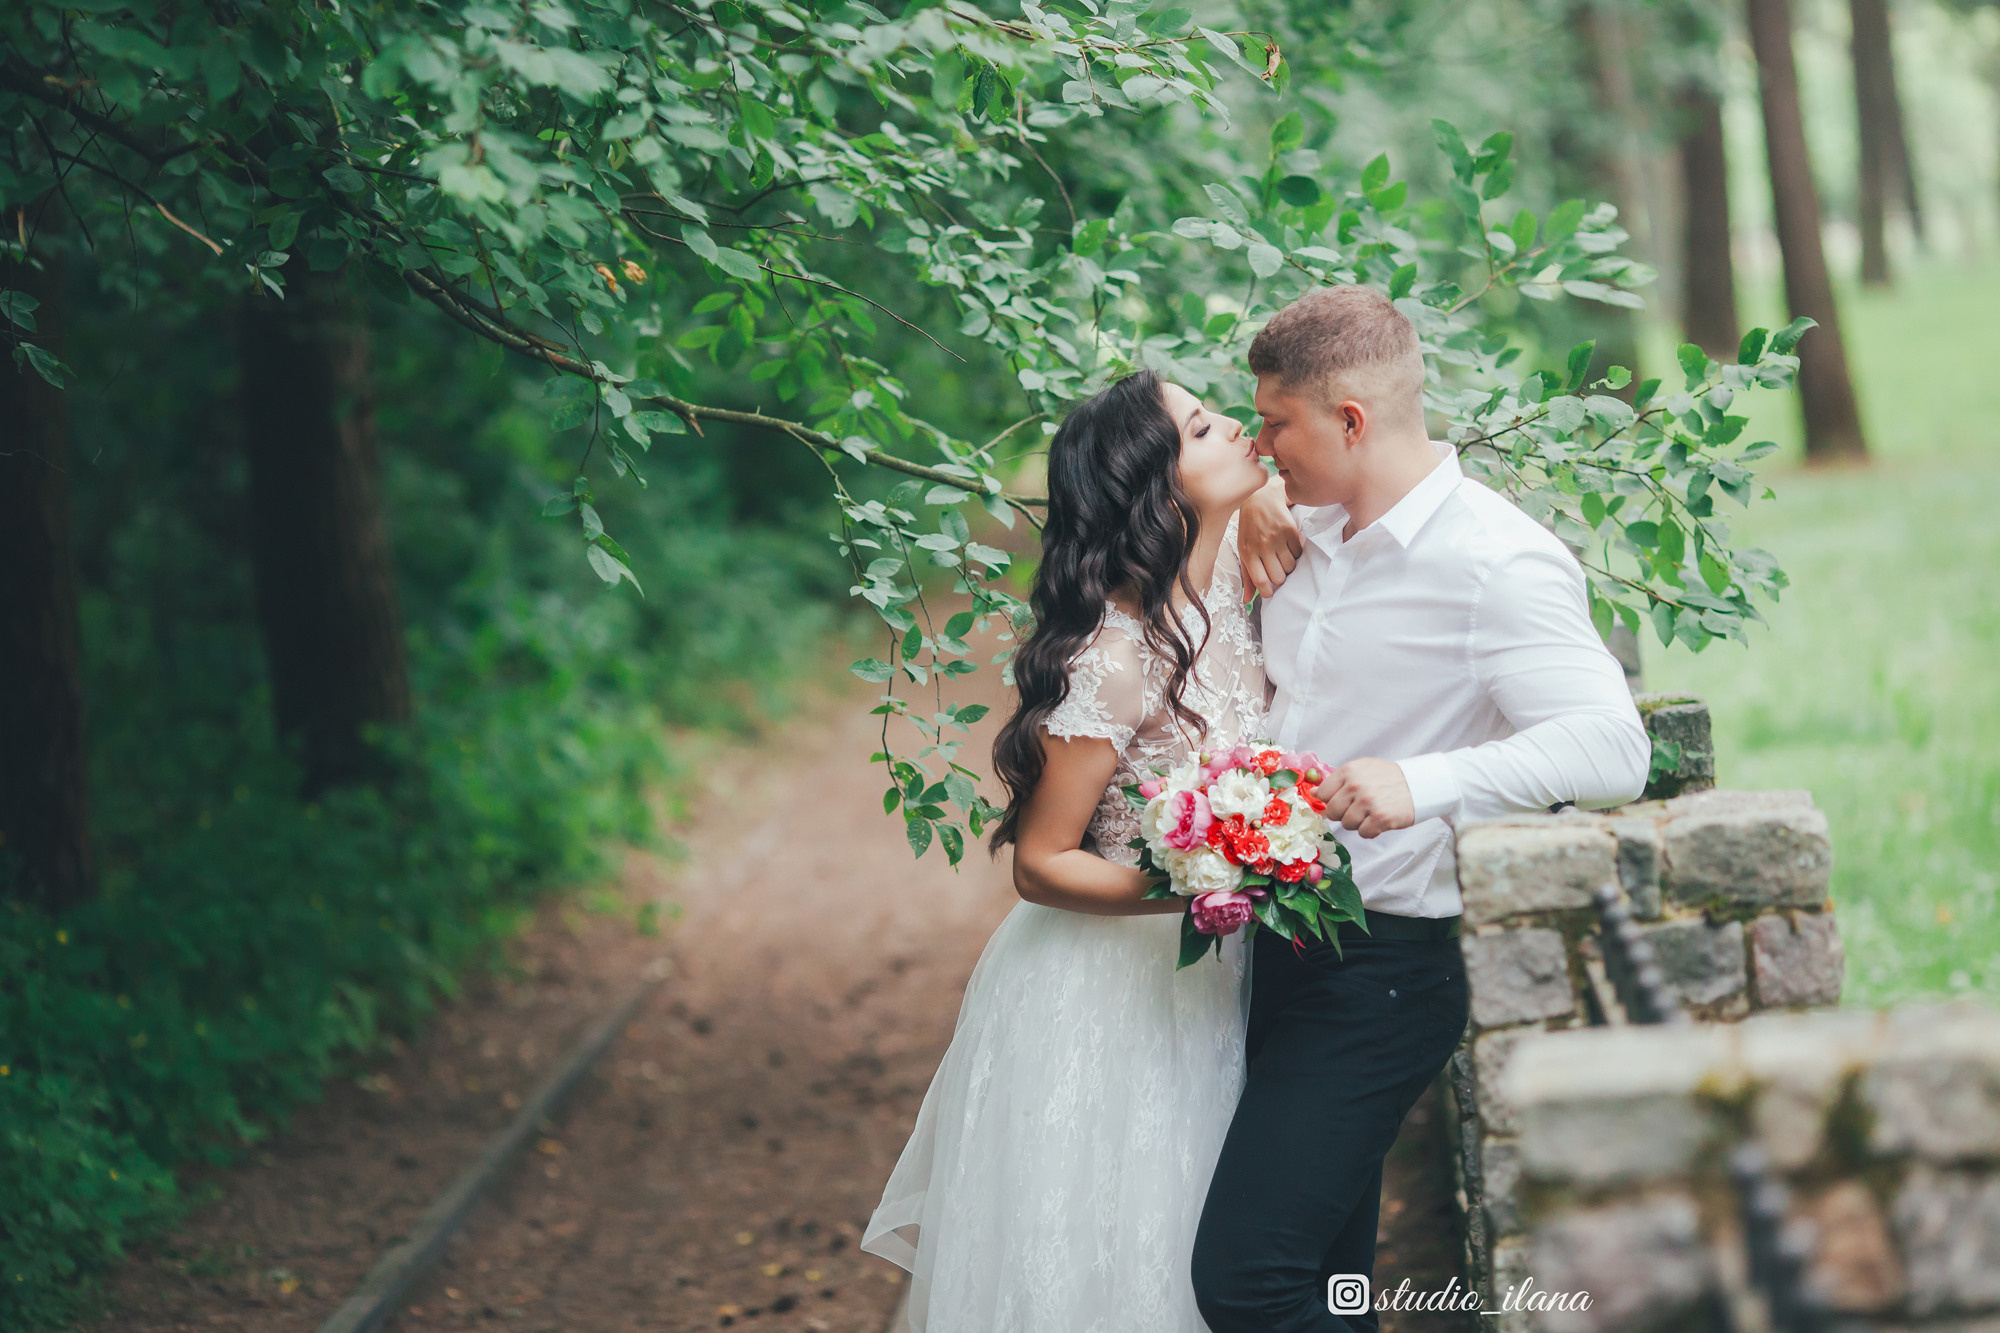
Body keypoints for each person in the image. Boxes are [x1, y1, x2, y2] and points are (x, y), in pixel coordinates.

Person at [1189, 285, 1651, 1333]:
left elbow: (1614, 744)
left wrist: (1425, 780)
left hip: (1383, 970)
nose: (1259, 447)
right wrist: (1246, 498)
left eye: (1274, 423)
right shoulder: (1299, 528)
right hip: (1269, 954)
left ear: (1348, 421)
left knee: (1248, 1278)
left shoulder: (1496, 561)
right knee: (1325, 1281)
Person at [861, 370, 1272, 1332]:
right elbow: (1041, 862)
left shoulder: (1219, 571)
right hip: (1107, 986)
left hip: (1210, 973)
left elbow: (1290, 469)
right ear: (1161, 489)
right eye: (1207, 428)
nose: (1239, 430)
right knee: (1125, 1245)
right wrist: (1197, 885)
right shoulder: (1113, 658)